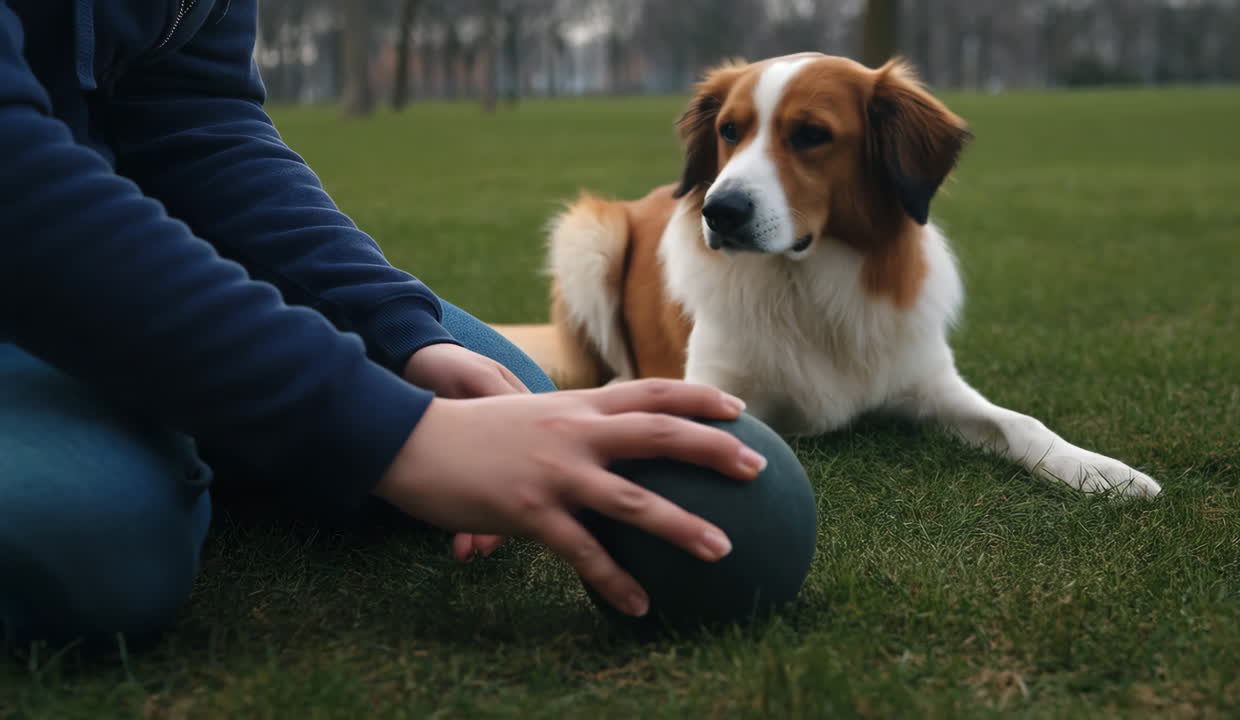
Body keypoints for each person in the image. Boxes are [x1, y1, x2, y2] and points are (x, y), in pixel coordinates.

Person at [0, 1, 767, 647]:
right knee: (96, 542)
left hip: (97, 244)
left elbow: (195, 122)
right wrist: (389, 432)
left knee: (507, 395)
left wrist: (401, 332)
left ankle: (176, 417)